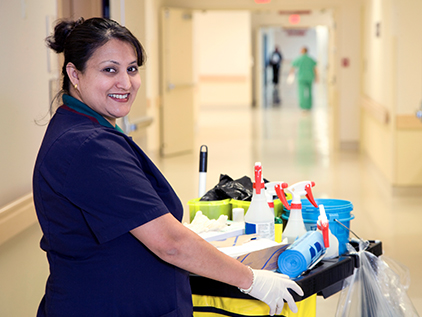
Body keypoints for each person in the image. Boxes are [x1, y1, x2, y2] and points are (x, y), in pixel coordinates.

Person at [33, 17, 303, 316]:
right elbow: (170, 243)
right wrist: (251, 280)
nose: (125, 82)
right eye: (110, 70)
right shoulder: (88, 146)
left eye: (132, 69)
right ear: (75, 74)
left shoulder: (82, 128)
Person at [290, 47, 318, 111]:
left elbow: (293, 66)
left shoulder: (300, 58)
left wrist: (291, 75)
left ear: (302, 51)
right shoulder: (310, 59)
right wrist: (317, 77)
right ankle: (309, 106)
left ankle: (303, 106)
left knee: (301, 92)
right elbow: (315, 68)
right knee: (310, 91)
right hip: (310, 77)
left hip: (301, 78)